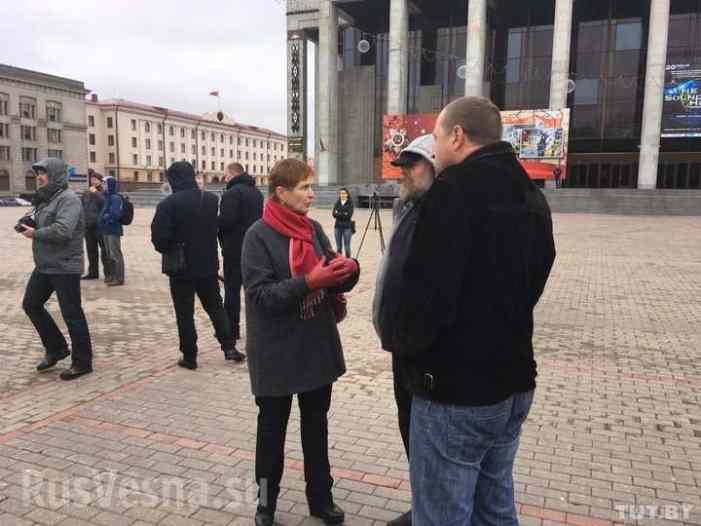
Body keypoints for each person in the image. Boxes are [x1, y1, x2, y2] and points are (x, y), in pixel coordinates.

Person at [389, 97, 556, 525]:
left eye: (440, 136)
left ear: (458, 135)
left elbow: (424, 295)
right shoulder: (529, 192)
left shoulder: (454, 190)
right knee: (494, 507)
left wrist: (408, 353)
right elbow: (538, 272)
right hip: (514, 381)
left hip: (456, 392)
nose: (438, 146)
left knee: (444, 514)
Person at [241, 159, 360, 526]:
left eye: (311, 187)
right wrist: (311, 281)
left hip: (314, 346)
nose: (312, 194)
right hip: (276, 351)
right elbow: (261, 297)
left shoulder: (314, 228)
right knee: (271, 431)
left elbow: (330, 278)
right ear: (281, 192)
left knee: (316, 427)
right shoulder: (257, 236)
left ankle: (321, 499)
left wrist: (347, 273)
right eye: (304, 188)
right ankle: (266, 503)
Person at [372, 135, 436, 526]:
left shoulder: (438, 211)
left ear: (434, 166)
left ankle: (430, 510)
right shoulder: (406, 208)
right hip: (400, 344)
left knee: (426, 435)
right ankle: (424, 504)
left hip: (421, 346)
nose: (403, 174)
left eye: (411, 166)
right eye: (401, 166)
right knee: (409, 427)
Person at [151, 161, 240, 368]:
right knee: (216, 307)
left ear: (173, 179)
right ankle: (229, 347)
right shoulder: (210, 199)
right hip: (208, 264)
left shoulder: (168, 204)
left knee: (185, 313)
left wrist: (172, 246)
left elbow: (159, 239)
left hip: (181, 269)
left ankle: (190, 357)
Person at [19, 158, 94, 380]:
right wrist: (31, 223)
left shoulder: (68, 199)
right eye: (38, 174)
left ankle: (83, 362)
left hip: (65, 265)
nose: (39, 177)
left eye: (44, 173)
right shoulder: (47, 198)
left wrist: (35, 233)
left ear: (56, 175)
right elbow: (46, 223)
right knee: (31, 304)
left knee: (72, 313)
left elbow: (63, 230)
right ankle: (57, 348)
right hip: (45, 264)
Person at [218, 162, 263, 359]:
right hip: (254, 248)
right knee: (253, 290)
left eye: (226, 175)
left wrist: (215, 223)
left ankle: (233, 329)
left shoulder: (231, 194)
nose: (224, 178)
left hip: (234, 249)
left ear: (233, 174)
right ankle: (257, 328)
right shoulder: (257, 193)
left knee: (232, 291)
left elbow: (227, 221)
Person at [81, 170, 110, 280]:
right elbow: (82, 206)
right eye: (91, 179)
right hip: (88, 225)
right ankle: (93, 272)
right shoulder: (86, 192)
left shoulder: (104, 192)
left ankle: (108, 273)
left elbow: (105, 203)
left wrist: (96, 193)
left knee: (104, 251)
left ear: (100, 181)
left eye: (95, 180)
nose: (93, 181)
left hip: (100, 226)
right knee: (91, 250)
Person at [98, 176, 125, 286]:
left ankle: (119, 278)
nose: (103, 186)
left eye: (105, 184)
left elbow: (116, 214)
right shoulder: (107, 197)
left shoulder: (115, 198)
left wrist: (105, 218)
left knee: (115, 255)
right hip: (106, 229)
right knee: (109, 254)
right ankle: (113, 276)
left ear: (110, 185)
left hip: (113, 229)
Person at [331, 187, 354, 257]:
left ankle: (348, 262)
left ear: (347, 194)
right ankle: (340, 263)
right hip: (337, 227)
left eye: (344, 193)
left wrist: (338, 213)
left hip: (347, 228)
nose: (342, 195)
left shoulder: (350, 203)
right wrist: (343, 213)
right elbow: (333, 214)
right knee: (338, 247)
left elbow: (348, 215)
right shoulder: (337, 203)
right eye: (341, 193)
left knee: (347, 247)